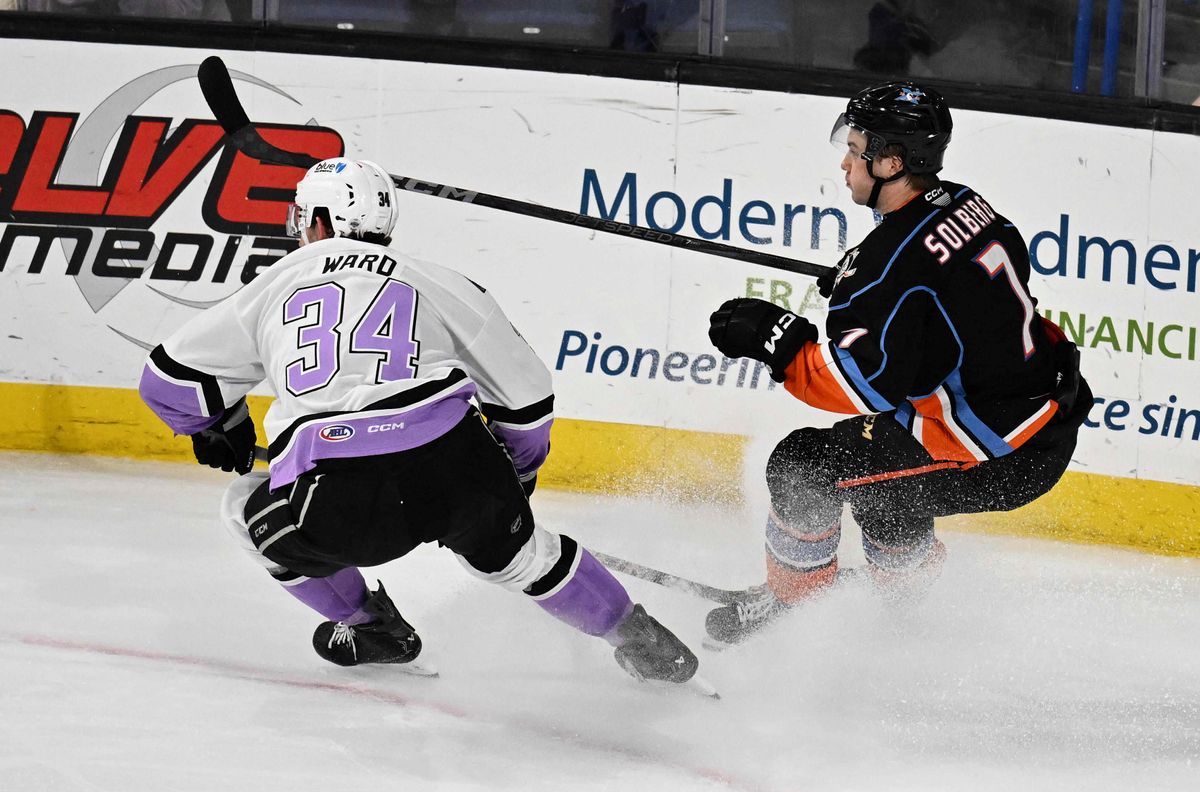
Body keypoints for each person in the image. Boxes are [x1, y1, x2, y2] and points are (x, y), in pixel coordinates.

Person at [138, 157, 700, 686]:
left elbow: (167, 380)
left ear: (318, 220)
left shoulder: (275, 282)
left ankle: (371, 628)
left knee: (242, 508)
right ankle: (641, 638)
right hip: (455, 460)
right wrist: (514, 480)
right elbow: (528, 401)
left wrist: (215, 421)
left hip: (338, 496)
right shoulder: (438, 280)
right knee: (527, 556)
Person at [704, 81, 1091, 646]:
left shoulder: (886, 269)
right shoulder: (964, 203)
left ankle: (795, 600)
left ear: (890, 162)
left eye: (855, 148)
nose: (844, 162)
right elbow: (956, 291)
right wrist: (887, 299)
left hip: (1001, 452)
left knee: (803, 466)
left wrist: (776, 341)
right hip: (1040, 414)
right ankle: (904, 603)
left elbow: (862, 388)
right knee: (882, 478)